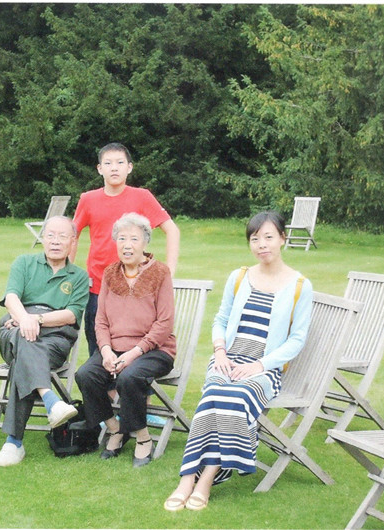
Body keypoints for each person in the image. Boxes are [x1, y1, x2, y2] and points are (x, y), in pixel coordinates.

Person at [163, 211, 313, 511]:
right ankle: (188, 478)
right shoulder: (240, 277)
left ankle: (204, 478)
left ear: (282, 239)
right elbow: (220, 320)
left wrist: (260, 366)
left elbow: (297, 339)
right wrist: (220, 351)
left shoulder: (299, 285)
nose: (262, 244)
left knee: (234, 397)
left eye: (268, 237)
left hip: (264, 369)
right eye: (255, 239)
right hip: (227, 359)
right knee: (214, 393)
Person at [75, 213, 176, 468]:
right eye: (121, 239)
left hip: (154, 350)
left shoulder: (160, 272)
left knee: (129, 376)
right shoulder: (110, 273)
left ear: (145, 242)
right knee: (86, 375)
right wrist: (106, 351)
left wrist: (133, 353)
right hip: (115, 348)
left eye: (134, 239)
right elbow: (100, 320)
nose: (127, 245)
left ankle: (143, 437)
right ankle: (115, 429)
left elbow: (164, 323)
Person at [0, 215, 90, 466]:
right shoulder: (24, 263)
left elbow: (71, 315)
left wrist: (34, 320)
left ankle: (14, 443)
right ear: (42, 238)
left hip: (54, 339)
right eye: (50, 235)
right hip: (15, 333)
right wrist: (24, 319)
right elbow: (11, 298)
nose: (55, 241)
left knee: (25, 352)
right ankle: (50, 400)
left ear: (73, 241)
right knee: (24, 339)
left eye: (62, 236)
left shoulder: (79, 277)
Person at [71, 143, 180, 357]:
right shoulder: (88, 199)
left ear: (129, 167)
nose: (114, 168)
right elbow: (72, 236)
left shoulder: (142, 196)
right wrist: (68, 273)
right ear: (99, 168)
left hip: (137, 288)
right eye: (108, 163)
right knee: (98, 351)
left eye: (120, 162)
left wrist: (169, 271)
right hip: (98, 287)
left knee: (137, 350)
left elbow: (172, 230)